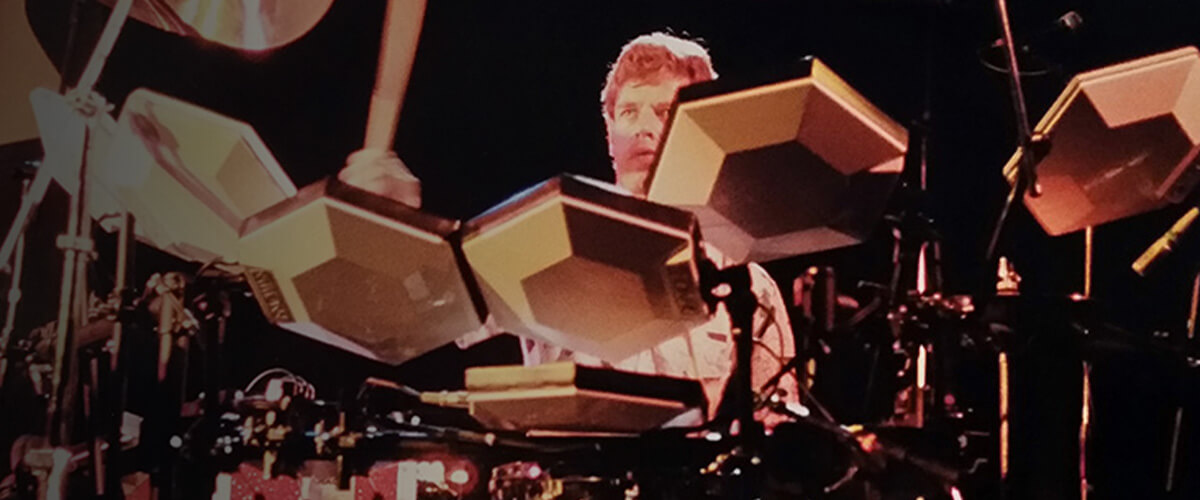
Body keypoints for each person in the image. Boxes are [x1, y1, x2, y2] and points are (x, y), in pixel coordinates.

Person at [341, 32, 799, 425]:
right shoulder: (544, 238)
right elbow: (411, 316)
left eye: (664, 112)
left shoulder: (744, 282)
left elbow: (779, 425)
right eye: (630, 112)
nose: (644, 129)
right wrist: (385, 225)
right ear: (608, 135)